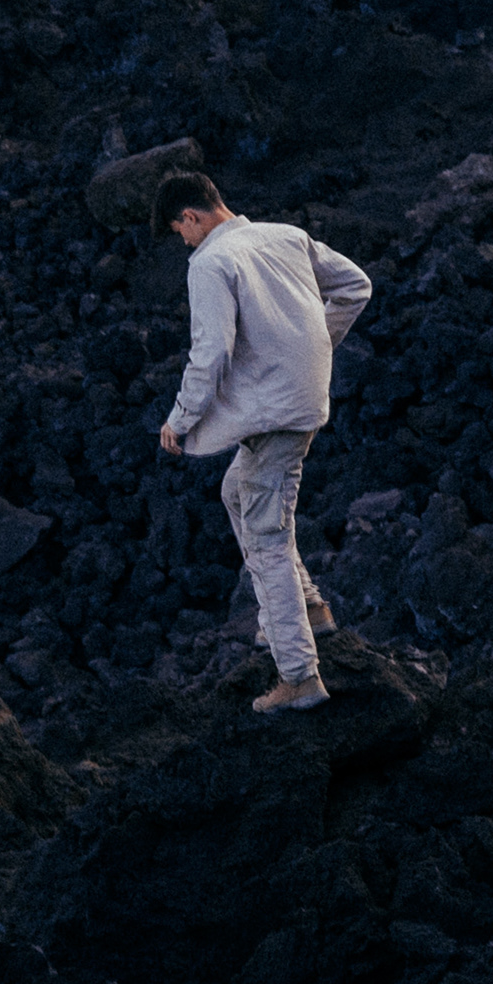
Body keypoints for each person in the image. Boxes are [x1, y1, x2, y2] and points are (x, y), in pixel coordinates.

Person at [153, 170, 373, 713]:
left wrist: (179, 420)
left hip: (274, 415)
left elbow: (211, 353)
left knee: (265, 536)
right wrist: (314, 348)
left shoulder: (210, 263)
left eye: (178, 229)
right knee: (239, 491)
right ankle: (312, 608)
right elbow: (355, 286)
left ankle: (298, 676)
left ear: (193, 216)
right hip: (301, 405)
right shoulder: (285, 236)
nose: (182, 241)